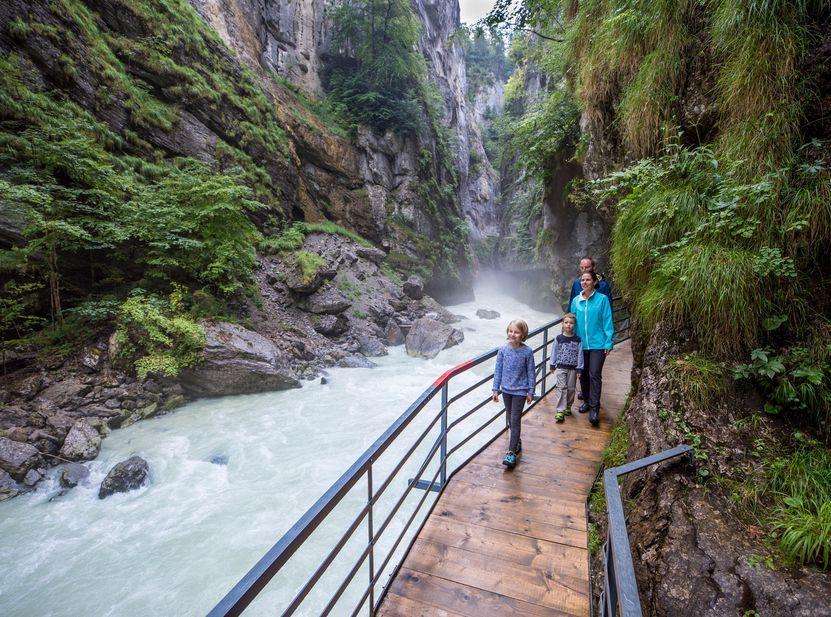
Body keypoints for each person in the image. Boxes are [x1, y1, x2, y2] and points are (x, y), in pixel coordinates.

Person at [570, 272, 614, 427]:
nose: (584, 282)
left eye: (588, 279)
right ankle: (587, 401)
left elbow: (607, 320)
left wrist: (608, 342)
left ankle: (594, 409)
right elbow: (572, 322)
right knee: (583, 375)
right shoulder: (576, 301)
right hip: (581, 344)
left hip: (598, 344)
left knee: (594, 374)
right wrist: (571, 342)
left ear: (594, 282)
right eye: (582, 280)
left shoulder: (602, 299)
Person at [492, 319, 535, 469]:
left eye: (516, 332)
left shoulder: (527, 351)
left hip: (521, 391)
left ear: (523, 334)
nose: (512, 334)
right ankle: (516, 442)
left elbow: (531, 372)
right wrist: (495, 389)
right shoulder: (503, 350)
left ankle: (511, 453)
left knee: (515, 419)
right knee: (510, 418)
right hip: (506, 390)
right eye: (510, 331)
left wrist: (531, 391)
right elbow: (498, 370)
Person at [549, 313, 583, 423]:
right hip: (561, 367)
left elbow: (580, 355)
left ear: (574, 325)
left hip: (573, 368)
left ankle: (568, 406)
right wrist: (552, 365)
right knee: (561, 387)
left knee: (571, 388)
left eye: (571, 323)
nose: (568, 325)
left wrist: (579, 368)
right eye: (566, 322)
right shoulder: (559, 338)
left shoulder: (578, 339)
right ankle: (560, 410)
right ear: (562, 324)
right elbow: (554, 352)